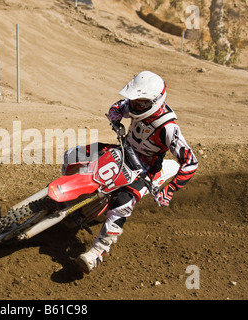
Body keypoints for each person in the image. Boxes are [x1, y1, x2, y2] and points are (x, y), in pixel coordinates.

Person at [75, 71, 198, 273]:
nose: (135, 105)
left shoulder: (168, 128)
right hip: (124, 151)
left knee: (122, 203)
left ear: (154, 102)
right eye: (134, 101)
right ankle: (63, 196)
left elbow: (190, 162)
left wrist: (170, 190)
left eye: (140, 103)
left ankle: (96, 252)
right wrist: (115, 115)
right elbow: (118, 107)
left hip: (145, 170)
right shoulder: (135, 105)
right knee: (75, 155)